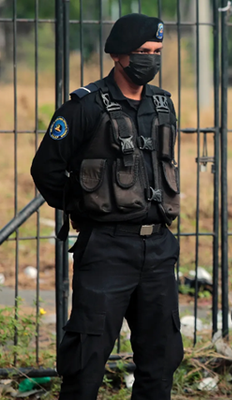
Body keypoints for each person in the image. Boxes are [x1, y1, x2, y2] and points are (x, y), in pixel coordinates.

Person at [31, 13, 183, 400]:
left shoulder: (164, 106)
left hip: (159, 249)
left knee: (161, 359)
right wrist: (82, 210)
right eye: (143, 52)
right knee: (87, 359)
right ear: (118, 56)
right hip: (106, 250)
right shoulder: (84, 108)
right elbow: (46, 169)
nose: (152, 59)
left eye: (157, 52)